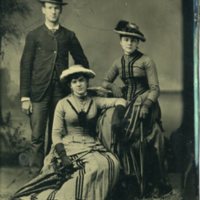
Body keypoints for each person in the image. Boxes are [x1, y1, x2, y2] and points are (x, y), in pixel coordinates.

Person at [14, 65, 126, 200]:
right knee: (92, 168)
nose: (78, 84)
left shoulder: (95, 101)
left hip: (92, 145)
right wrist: (63, 155)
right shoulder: (63, 104)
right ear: (70, 86)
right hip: (69, 147)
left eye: (81, 80)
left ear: (87, 82)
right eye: (74, 82)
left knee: (112, 163)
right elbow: (55, 134)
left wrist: (117, 116)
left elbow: (120, 100)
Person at [102, 20, 172, 198]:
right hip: (127, 103)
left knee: (153, 136)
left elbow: (155, 88)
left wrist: (147, 104)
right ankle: (128, 177)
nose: (129, 43)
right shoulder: (118, 62)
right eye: (126, 39)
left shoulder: (146, 61)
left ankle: (157, 181)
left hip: (146, 102)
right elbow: (105, 81)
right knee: (117, 131)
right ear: (120, 41)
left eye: (133, 40)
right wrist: (113, 87)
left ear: (138, 42)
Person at [20, 0, 89, 176]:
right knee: (37, 136)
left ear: (60, 11)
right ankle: (36, 175)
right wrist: (25, 97)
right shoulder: (34, 36)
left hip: (61, 93)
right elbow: (26, 66)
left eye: (56, 8)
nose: (53, 12)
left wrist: (74, 81)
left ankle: (54, 172)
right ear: (43, 10)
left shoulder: (68, 35)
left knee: (57, 135)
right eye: (50, 8)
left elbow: (82, 61)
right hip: (38, 93)